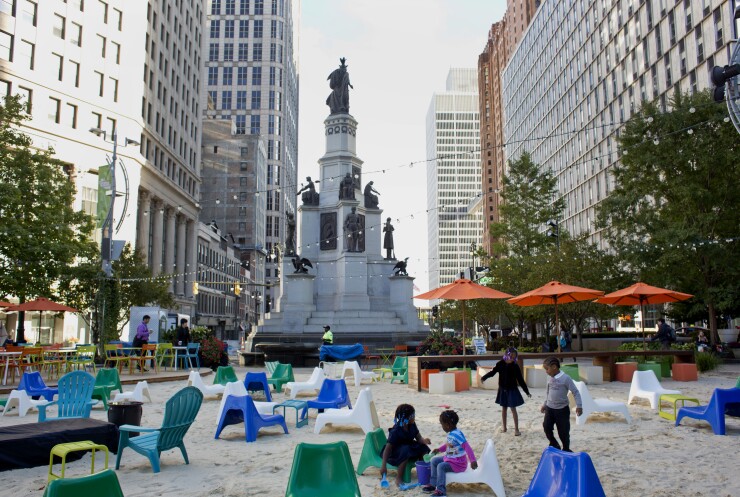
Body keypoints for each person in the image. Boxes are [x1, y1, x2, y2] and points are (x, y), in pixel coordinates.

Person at [422, 410, 477, 496]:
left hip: (459, 463)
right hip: (450, 459)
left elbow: (467, 447)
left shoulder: (457, 434)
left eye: (442, 424)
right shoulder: (451, 433)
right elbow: (448, 445)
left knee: (441, 466)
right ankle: (433, 484)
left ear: (447, 425)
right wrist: (439, 450)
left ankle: (441, 491)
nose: (442, 426)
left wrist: (473, 460)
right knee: (434, 461)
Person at [480, 347, 532, 436]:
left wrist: (526, 391)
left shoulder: (515, 366)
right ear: (506, 355)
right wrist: (484, 377)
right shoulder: (500, 364)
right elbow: (492, 372)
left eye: (514, 357)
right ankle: (504, 427)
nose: (512, 358)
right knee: (504, 408)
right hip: (502, 389)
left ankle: (516, 429)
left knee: (513, 408)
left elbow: (520, 380)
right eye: (510, 356)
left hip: (512, 389)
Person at [380, 404, 431, 487]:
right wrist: (383, 465)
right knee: (406, 451)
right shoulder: (396, 430)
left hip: (408, 446)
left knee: (423, 447)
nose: (414, 417)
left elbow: (418, 438)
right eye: (413, 415)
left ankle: (422, 472)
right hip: (395, 452)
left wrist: (424, 441)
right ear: (407, 418)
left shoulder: (412, 425)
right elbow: (388, 448)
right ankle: (399, 478)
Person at [541, 356, 582, 452]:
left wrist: (579, 406)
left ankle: (566, 448)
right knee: (546, 427)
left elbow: (575, 392)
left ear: (554, 367)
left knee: (563, 432)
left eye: (547, 369)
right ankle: (554, 444)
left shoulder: (566, 378)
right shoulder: (549, 378)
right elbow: (548, 392)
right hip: (550, 409)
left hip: (562, 410)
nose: (546, 371)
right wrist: (545, 404)